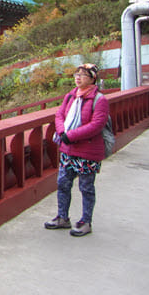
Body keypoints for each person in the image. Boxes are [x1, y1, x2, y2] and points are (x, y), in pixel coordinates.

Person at [44, 63, 109, 237]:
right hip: (68, 150)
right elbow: (60, 115)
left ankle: (86, 221)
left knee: (86, 187)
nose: (78, 77)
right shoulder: (71, 96)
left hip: (87, 151)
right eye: (76, 74)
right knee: (63, 183)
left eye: (83, 75)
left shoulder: (99, 100)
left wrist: (71, 135)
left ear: (92, 78)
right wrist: (61, 131)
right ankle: (62, 217)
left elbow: (96, 125)